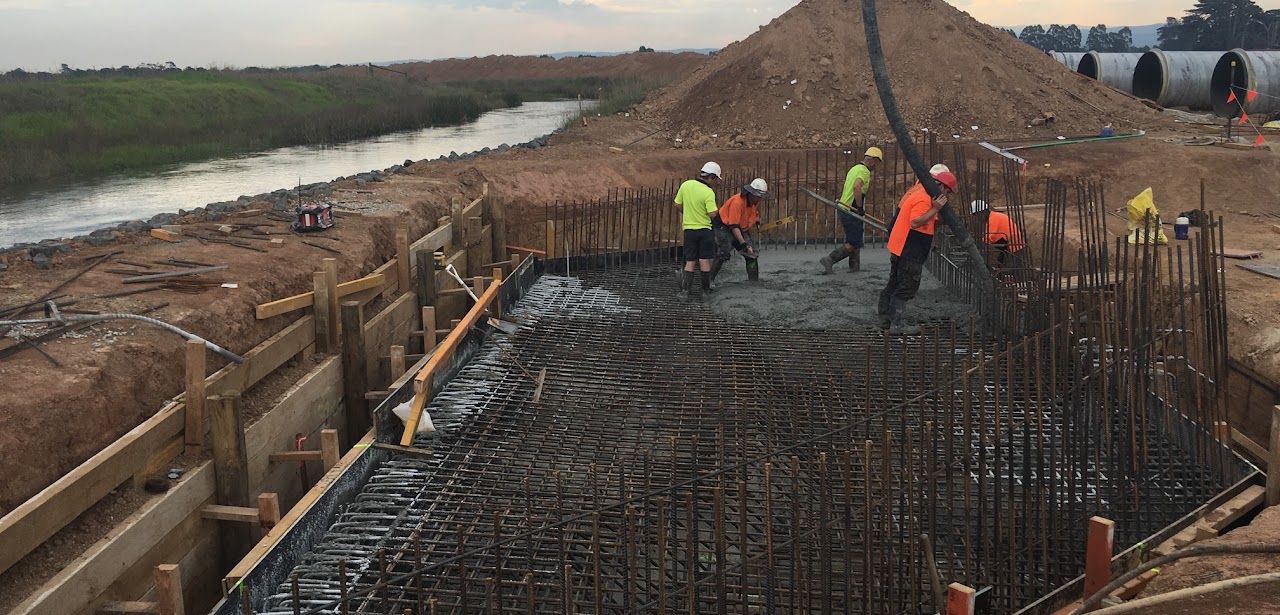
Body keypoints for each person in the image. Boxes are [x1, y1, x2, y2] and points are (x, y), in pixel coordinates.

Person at [878, 170, 959, 333]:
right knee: (907, 285)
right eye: (948, 191)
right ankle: (896, 324)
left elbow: (930, 223)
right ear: (940, 186)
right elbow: (915, 222)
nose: (948, 195)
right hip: (909, 249)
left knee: (894, 282)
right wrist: (935, 209)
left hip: (902, 247)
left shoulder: (922, 192)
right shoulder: (924, 198)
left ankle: (885, 317)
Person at [820, 147, 883, 273]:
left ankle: (854, 267)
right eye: (876, 163)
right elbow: (856, 187)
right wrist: (859, 208)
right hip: (851, 210)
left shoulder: (855, 168)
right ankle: (830, 259)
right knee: (854, 242)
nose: (876, 166)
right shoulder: (864, 171)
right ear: (871, 160)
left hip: (844, 208)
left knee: (855, 239)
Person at [674, 161, 722, 298]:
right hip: (705, 231)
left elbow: (677, 205)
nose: (715, 183)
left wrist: (688, 212)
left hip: (689, 230)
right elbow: (713, 214)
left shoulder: (686, 185)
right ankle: (705, 292)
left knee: (690, 261)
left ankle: (685, 292)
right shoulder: (708, 192)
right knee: (704, 260)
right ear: (711, 177)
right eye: (715, 179)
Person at [710, 178, 768, 284]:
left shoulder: (755, 200)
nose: (760, 199)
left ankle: (753, 282)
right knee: (724, 252)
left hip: (739, 227)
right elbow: (733, 227)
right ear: (751, 193)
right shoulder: (737, 202)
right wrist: (743, 244)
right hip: (724, 227)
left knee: (751, 254)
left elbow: (751, 212)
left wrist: (756, 219)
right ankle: (710, 281)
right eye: (758, 196)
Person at [970, 200, 1024, 269]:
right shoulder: (993, 216)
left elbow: (990, 237)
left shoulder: (993, 218)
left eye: (976, 215)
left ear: (982, 212)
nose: (977, 218)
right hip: (1007, 243)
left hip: (1013, 246)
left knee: (1009, 266)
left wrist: (977, 244)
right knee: (1000, 261)